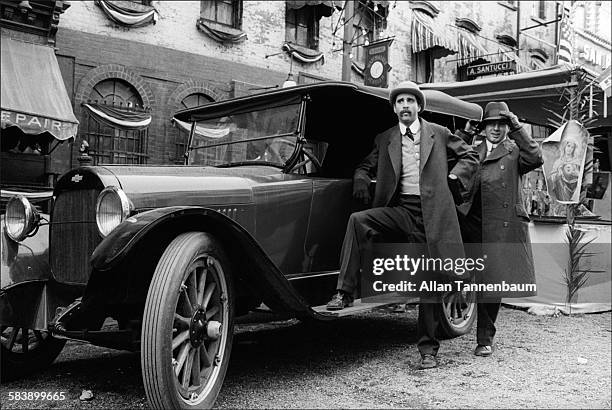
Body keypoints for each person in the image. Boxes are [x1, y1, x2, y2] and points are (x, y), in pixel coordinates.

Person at [325, 81, 480, 369]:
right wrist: (361, 178)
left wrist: (456, 176)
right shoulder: (385, 138)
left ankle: (428, 351)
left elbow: (470, 156)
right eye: (400, 102)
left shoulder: (440, 133)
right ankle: (343, 292)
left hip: (432, 215)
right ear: (395, 108)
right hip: (400, 210)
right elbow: (365, 166)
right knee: (358, 221)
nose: (405, 106)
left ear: (419, 106)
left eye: (410, 101)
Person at [458, 102, 542, 357]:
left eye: (501, 124)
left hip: (498, 223)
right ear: (483, 128)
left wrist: (517, 127)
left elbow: (536, 156)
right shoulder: (472, 148)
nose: (495, 128)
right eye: (490, 124)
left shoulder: (514, 151)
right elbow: (449, 160)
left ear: (507, 127)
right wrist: (464, 133)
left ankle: (485, 338)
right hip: (468, 221)